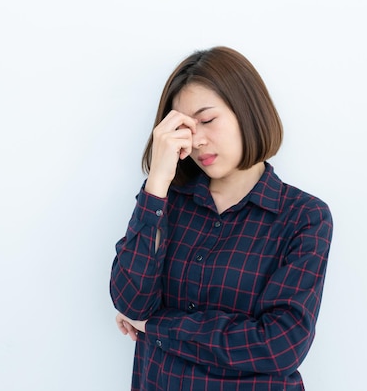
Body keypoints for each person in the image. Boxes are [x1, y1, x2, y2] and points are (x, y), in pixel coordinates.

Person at [109, 46, 333, 391]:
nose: (196, 140)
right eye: (183, 128)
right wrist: (157, 182)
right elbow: (131, 301)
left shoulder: (303, 217)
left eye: (208, 120)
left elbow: (279, 346)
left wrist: (158, 327)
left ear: (247, 111)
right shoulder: (166, 201)